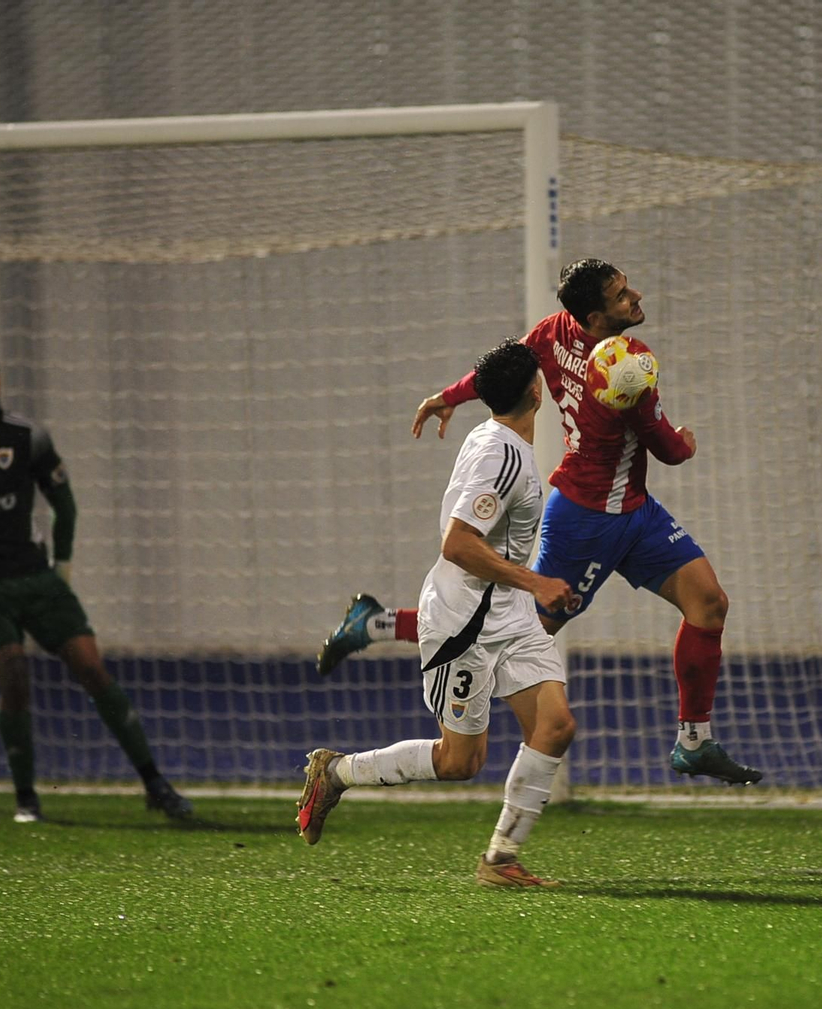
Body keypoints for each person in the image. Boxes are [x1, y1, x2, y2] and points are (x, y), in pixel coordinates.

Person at [314, 258, 762, 786]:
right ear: (595, 317)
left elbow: (501, 370)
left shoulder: (554, 331)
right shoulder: (626, 371)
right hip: (588, 520)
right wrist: (686, 441)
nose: (635, 297)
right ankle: (377, 624)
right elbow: (669, 451)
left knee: (709, 602)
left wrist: (449, 396)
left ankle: (694, 741)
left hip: (634, 510)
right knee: (521, 627)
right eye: (622, 296)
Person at [298, 339, 579, 888]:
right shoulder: (502, 456)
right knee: (459, 762)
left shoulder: (495, 437)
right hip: (464, 625)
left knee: (555, 726)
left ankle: (500, 861)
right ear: (536, 392)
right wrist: (537, 582)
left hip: (508, 614)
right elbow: (457, 545)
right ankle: (335, 772)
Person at [0, 343, 193, 824]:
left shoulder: (26, 438)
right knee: (14, 675)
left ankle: (155, 784)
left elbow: (65, 504)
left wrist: (63, 565)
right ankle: (26, 799)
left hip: (33, 576)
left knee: (92, 667)